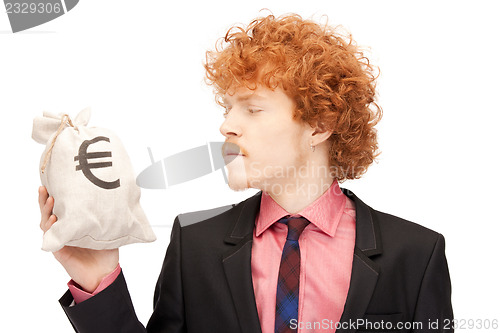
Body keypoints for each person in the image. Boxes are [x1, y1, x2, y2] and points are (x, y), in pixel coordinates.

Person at [38, 13, 453, 333]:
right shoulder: (194, 246)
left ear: (319, 126)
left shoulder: (416, 254)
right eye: (228, 108)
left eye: (252, 109)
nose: (226, 126)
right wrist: (97, 280)